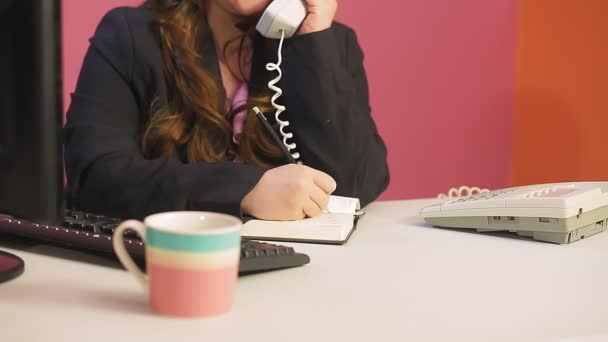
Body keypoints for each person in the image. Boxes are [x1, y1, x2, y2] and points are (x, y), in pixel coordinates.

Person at [64, 0, 389, 221]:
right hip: (170, 265)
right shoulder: (131, 34)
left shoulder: (330, 43)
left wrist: (313, 40)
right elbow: (96, 175)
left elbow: (354, 186)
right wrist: (243, 190)